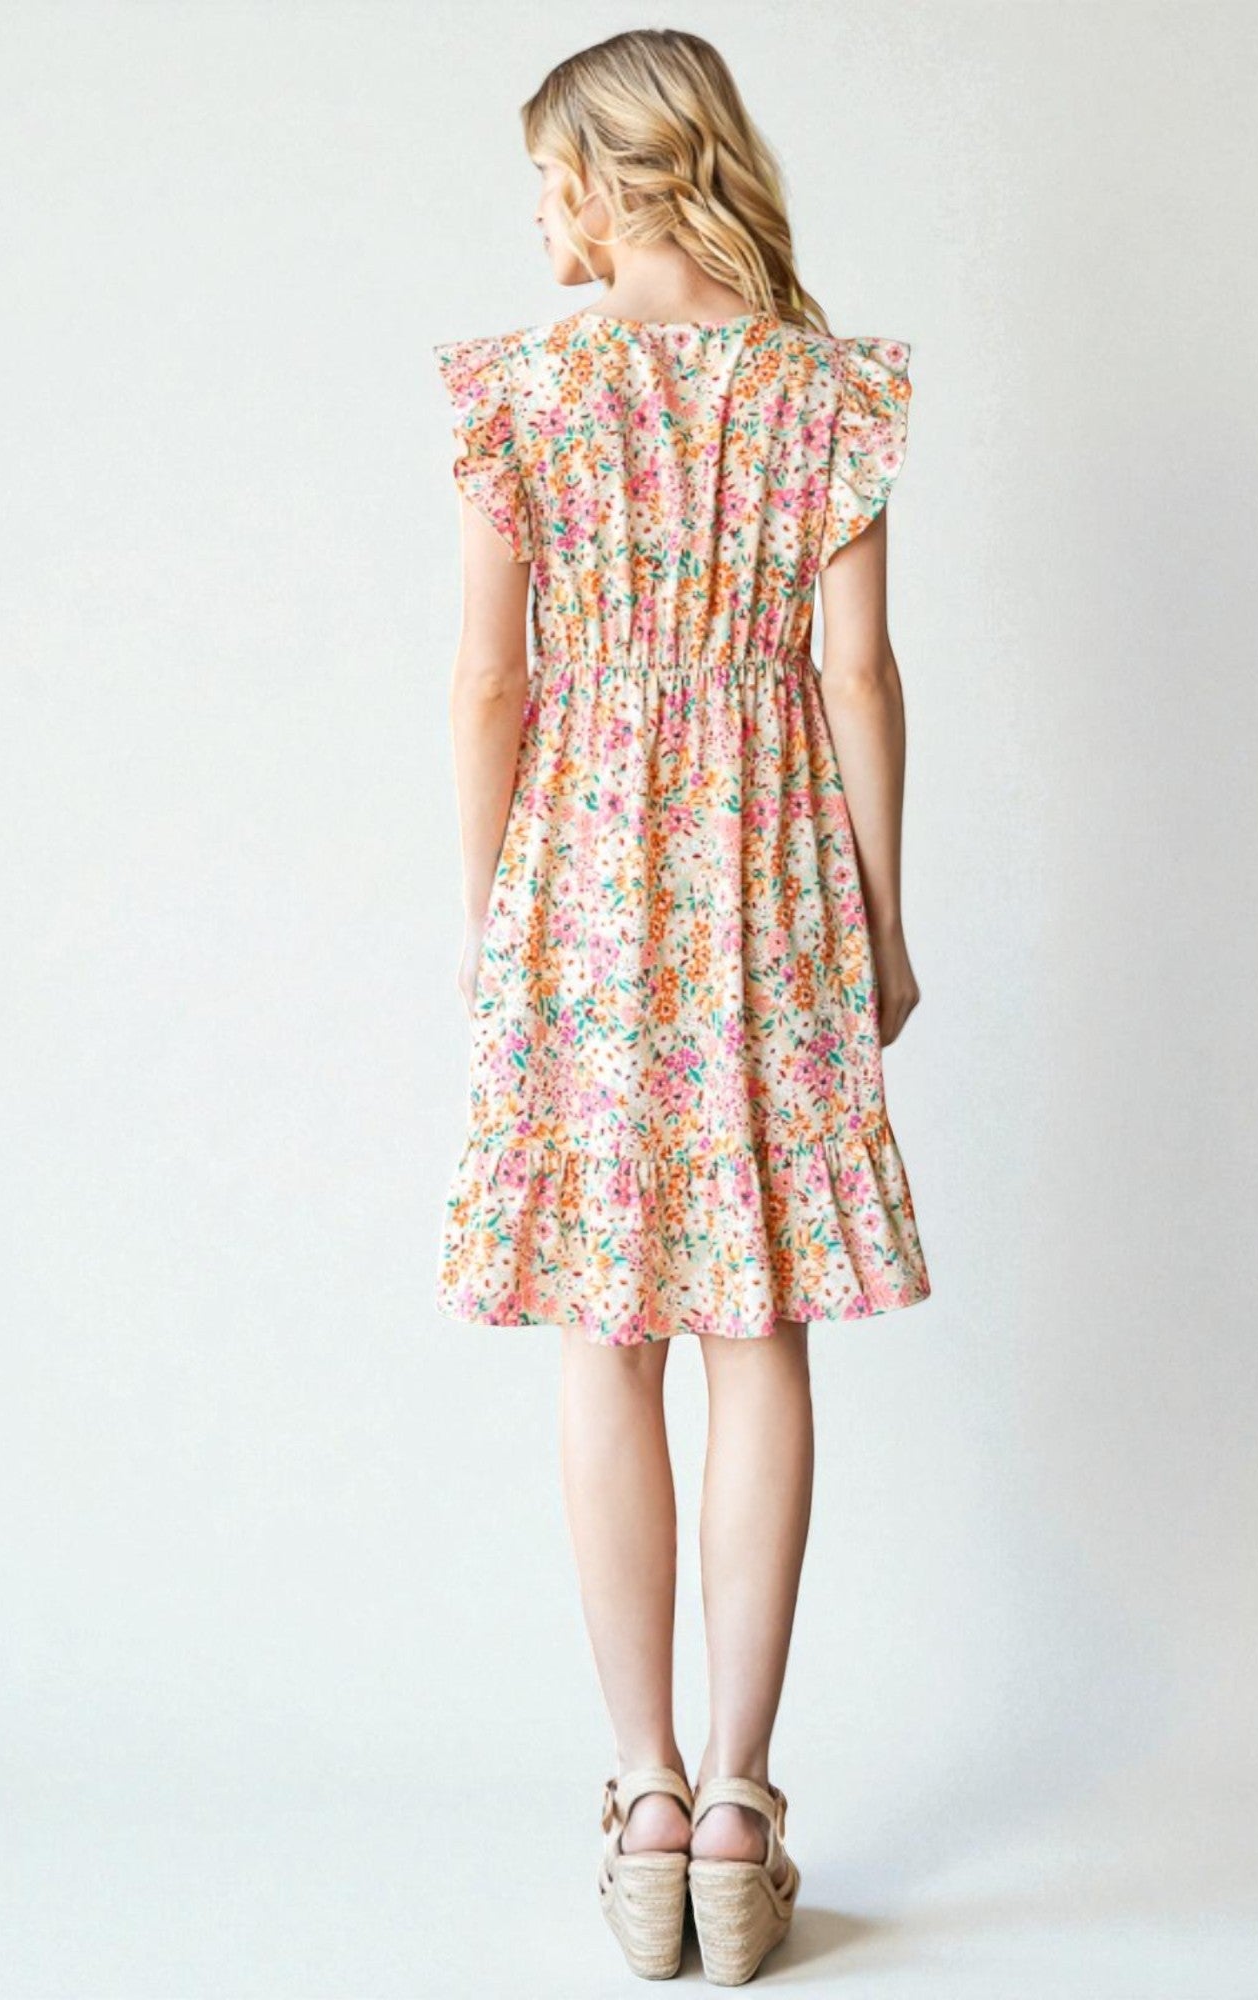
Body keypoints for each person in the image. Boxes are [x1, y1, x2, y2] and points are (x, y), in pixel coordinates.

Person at [431, 27, 932, 1986]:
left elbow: (484, 690)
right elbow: (863, 678)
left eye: (542, 175)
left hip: (583, 889)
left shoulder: (519, 391)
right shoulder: (822, 390)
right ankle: (738, 1803)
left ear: (597, 176)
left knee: (603, 1335)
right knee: (759, 1323)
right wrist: (879, 925)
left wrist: (499, 938)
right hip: (773, 884)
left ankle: (638, 1800)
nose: (533, 213)